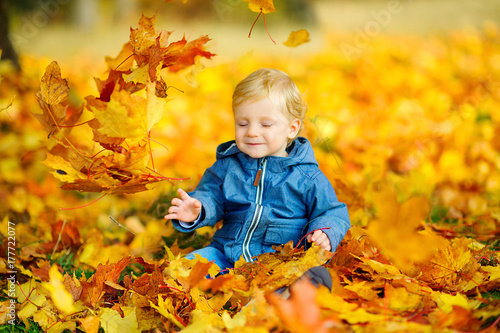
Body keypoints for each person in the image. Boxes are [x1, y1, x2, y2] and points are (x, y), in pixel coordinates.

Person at [164, 68, 350, 276]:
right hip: (226, 255)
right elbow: (211, 196)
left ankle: (293, 291)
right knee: (182, 270)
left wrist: (324, 232)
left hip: (279, 263)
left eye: (266, 124)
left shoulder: (307, 177)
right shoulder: (229, 166)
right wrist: (199, 210)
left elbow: (332, 211)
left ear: (292, 128)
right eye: (243, 123)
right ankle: (218, 287)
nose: (252, 131)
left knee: (300, 277)